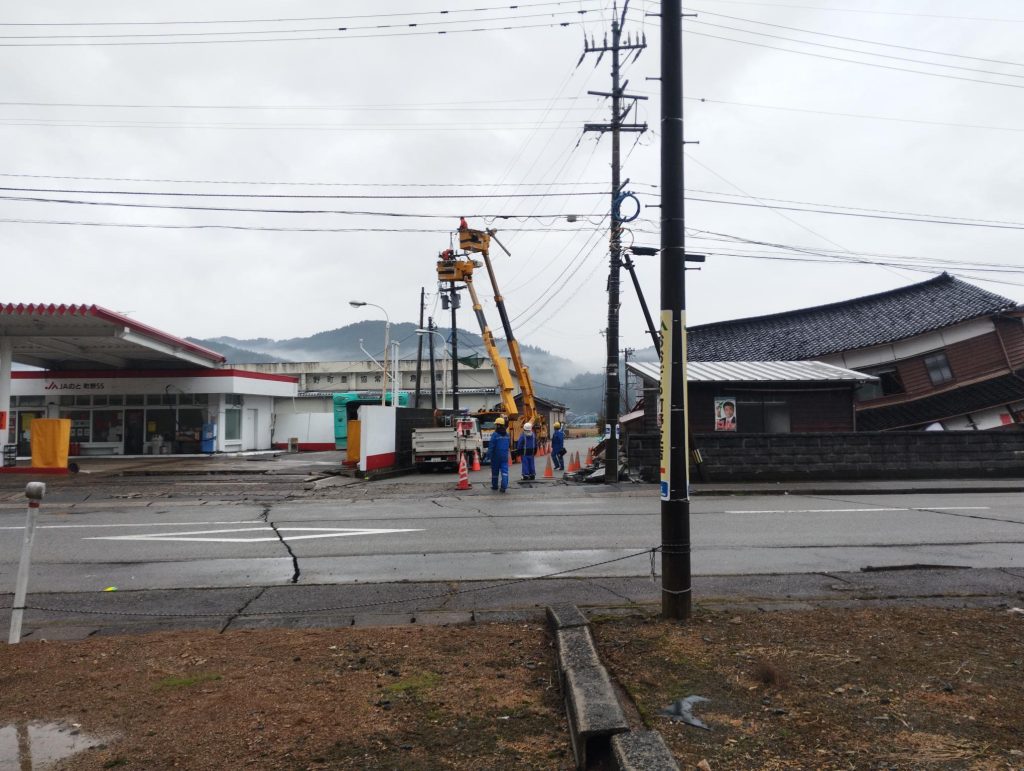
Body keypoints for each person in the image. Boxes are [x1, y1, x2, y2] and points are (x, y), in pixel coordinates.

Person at [489, 417, 511, 493]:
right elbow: (509, 445)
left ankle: (495, 486)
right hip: (504, 456)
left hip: (496, 456)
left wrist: (488, 456)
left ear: (498, 425)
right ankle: (504, 487)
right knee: (504, 471)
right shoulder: (507, 435)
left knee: (495, 472)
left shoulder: (495, 435)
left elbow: (491, 446)